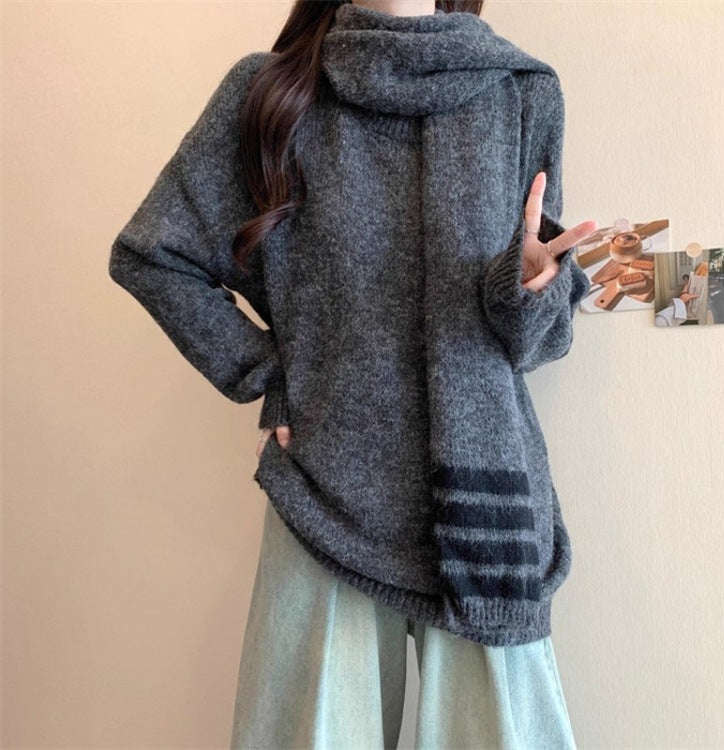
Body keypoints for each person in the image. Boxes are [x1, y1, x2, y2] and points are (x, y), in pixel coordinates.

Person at [109, 0, 596, 747]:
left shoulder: (521, 91)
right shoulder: (267, 94)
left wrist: (531, 287)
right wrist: (267, 373)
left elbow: (537, 342)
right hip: (325, 496)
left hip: (485, 507)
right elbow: (152, 256)